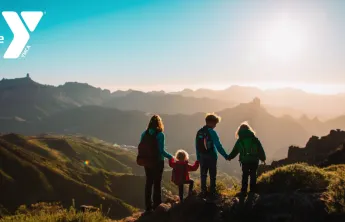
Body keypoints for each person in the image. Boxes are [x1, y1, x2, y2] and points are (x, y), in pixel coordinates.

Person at [139, 115, 173, 214]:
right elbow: (161, 151)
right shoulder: (160, 135)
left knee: (148, 183)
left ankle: (148, 207)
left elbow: (141, 147)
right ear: (159, 123)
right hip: (158, 161)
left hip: (147, 162)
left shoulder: (144, 134)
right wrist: (171, 157)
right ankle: (157, 205)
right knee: (157, 183)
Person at [195, 113, 229, 199]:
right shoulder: (212, 132)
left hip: (202, 156)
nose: (215, 126)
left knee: (203, 175)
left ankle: (203, 192)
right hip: (211, 156)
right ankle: (212, 192)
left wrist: (198, 157)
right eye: (215, 123)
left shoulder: (200, 132)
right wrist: (225, 155)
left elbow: (197, 146)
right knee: (212, 175)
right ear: (212, 122)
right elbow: (218, 146)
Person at [227, 122, 266, 195]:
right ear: (249, 130)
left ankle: (243, 191)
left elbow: (235, 151)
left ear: (239, 131)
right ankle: (252, 191)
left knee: (245, 175)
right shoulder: (254, 139)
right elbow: (260, 149)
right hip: (254, 160)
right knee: (253, 175)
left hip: (245, 160)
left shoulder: (240, 140)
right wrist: (263, 158)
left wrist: (229, 157)